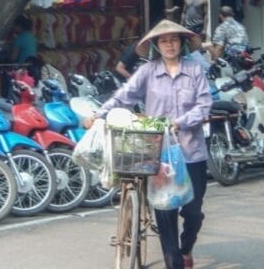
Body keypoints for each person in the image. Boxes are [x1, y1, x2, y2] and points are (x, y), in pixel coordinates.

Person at [87, 20, 212, 269]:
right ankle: (174, 263)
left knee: (193, 211)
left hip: (191, 151)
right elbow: (123, 97)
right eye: (164, 41)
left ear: (182, 43)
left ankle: (187, 247)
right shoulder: (147, 71)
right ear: (156, 45)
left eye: (174, 40)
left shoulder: (195, 70)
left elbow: (204, 105)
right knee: (165, 211)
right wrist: (99, 114)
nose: (169, 45)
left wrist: (180, 123)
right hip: (158, 151)